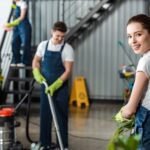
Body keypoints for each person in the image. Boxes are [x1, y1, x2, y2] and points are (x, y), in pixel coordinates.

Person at [32, 21, 74, 150]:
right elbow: (36, 61)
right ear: (52, 32)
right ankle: (44, 144)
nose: (60, 39)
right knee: (45, 115)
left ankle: (63, 145)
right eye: (57, 36)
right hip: (45, 86)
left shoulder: (67, 48)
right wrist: (36, 72)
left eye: (62, 36)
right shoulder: (43, 45)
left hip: (60, 87)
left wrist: (57, 84)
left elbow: (68, 70)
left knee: (61, 116)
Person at [121, 14, 150, 149]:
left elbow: (130, 109)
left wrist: (123, 112)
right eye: (129, 36)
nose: (132, 40)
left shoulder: (145, 61)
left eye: (138, 34)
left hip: (147, 118)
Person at [3, 0, 32, 66]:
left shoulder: (23, 3)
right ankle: (16, 61)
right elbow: (14, 18)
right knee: (14, 43)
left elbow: (22, 17)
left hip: (24, 26)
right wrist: (10, 27)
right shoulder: (14, 5)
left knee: (25, 44)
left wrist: (10, 24)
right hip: (16, 27)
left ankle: (25, 62)